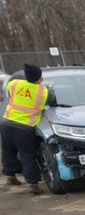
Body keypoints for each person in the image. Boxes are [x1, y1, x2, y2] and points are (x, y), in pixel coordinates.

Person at [2, 64, 51, 194]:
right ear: (39, 77)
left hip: (7, 123)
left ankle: (10, 176)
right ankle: (33, 184)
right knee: (27, 155)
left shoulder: (15, 84)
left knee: (8, 151)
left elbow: (9, 92)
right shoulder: (43, 91)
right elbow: (51, 101)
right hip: (24, 128)